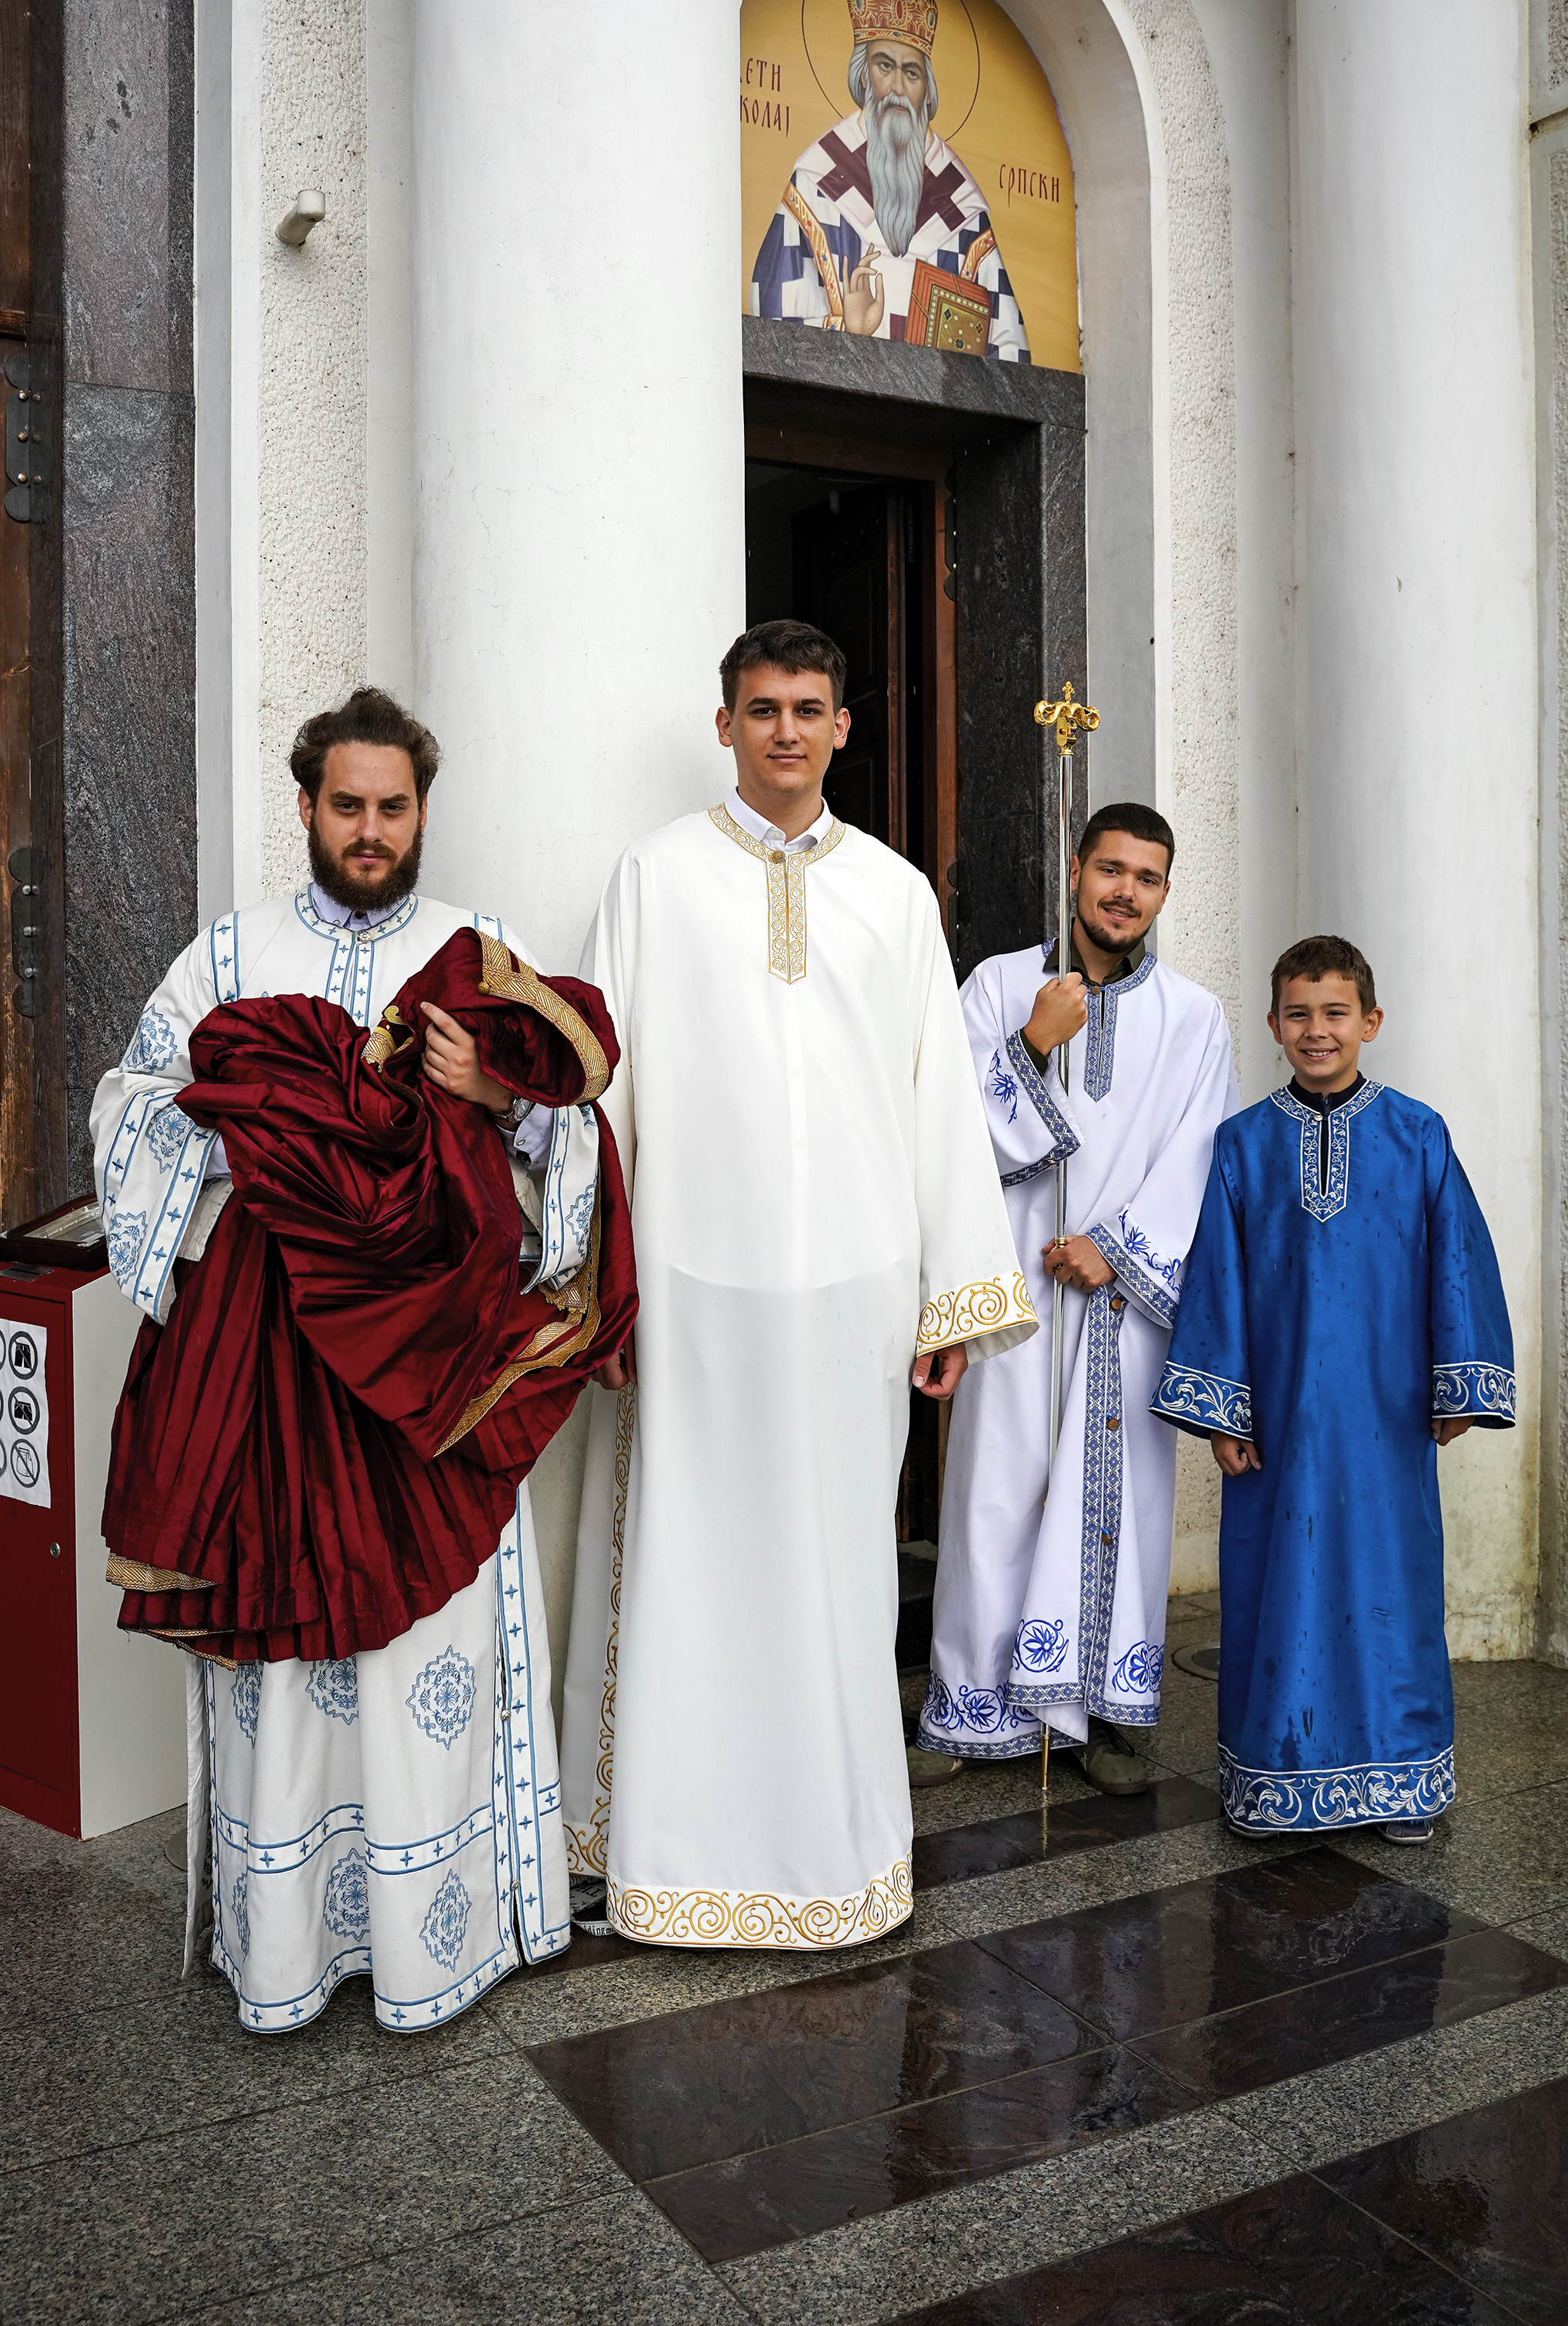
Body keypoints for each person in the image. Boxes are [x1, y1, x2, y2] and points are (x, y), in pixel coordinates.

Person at [90, 685, 622, 2031]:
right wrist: (259, 1127)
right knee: (284, 1672)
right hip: (268, 1373)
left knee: (424, 1658)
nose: (370, 829)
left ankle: (440, 1941)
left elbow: (572, 1128)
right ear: (307, 806)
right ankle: (286, 1952)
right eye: (347, 805)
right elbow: (132, 1104)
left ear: (422, 808)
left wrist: (493, 1092)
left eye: (392, 806)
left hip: (431, 1381)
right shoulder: (229, 954)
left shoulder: (479, 955)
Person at [559, 618, 1036, 1948]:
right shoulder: (652, 877)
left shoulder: (894, 892)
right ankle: (670, 1862)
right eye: (761, 708)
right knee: (689, 1565)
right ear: (724, 725)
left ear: (841, 727)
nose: (784, 729)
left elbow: (936, 1099)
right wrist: (601, 1293)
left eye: (807, 708)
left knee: (835, 1572)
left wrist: (951, 1297)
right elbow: (602, 1101)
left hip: (853, 1297)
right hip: (690, 1295)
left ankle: (833, 1857)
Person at [1153, 936, 1514, 1844]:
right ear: (1274, 1024)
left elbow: (1457, 1259)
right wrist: (1221, 1412)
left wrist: (1457, 1384)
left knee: (1390, 1585)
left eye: (1335, 1013)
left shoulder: (1418, 1134)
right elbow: (1218, 1277)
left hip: (1386, 1415)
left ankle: (1401, 1780)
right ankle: (1273, 1776)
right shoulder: (1242, 1144)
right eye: (1299, 1014)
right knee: (1277, 1585)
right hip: (1275, 1421)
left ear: (1370, 1021)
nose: (1317, 1030)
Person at [917, 804, 1239, 1794]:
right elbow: (944, 1122)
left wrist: (1116, 1247)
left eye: (1146, 877)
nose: (1124, 892)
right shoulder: (999, 985)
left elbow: (1201, 1153)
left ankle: (1099, 1713)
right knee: (995, 1490)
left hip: (1121, 1303)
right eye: (1109, 869)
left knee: (1116, 1503)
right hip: (1012, 1285)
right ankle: (969, 1707)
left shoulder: (1194, 1016)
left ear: (1165, 891)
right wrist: (1030, 1041)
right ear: (1074, 870)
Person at [749, 0, 1029, 360]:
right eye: (885, 66)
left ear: (927, 92)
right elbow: (773, 327)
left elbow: (1009, 350)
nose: (898, 87)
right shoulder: (816, 186)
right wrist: (847, 330)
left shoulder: (961, 209)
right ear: (863, 76)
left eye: (912, 72)